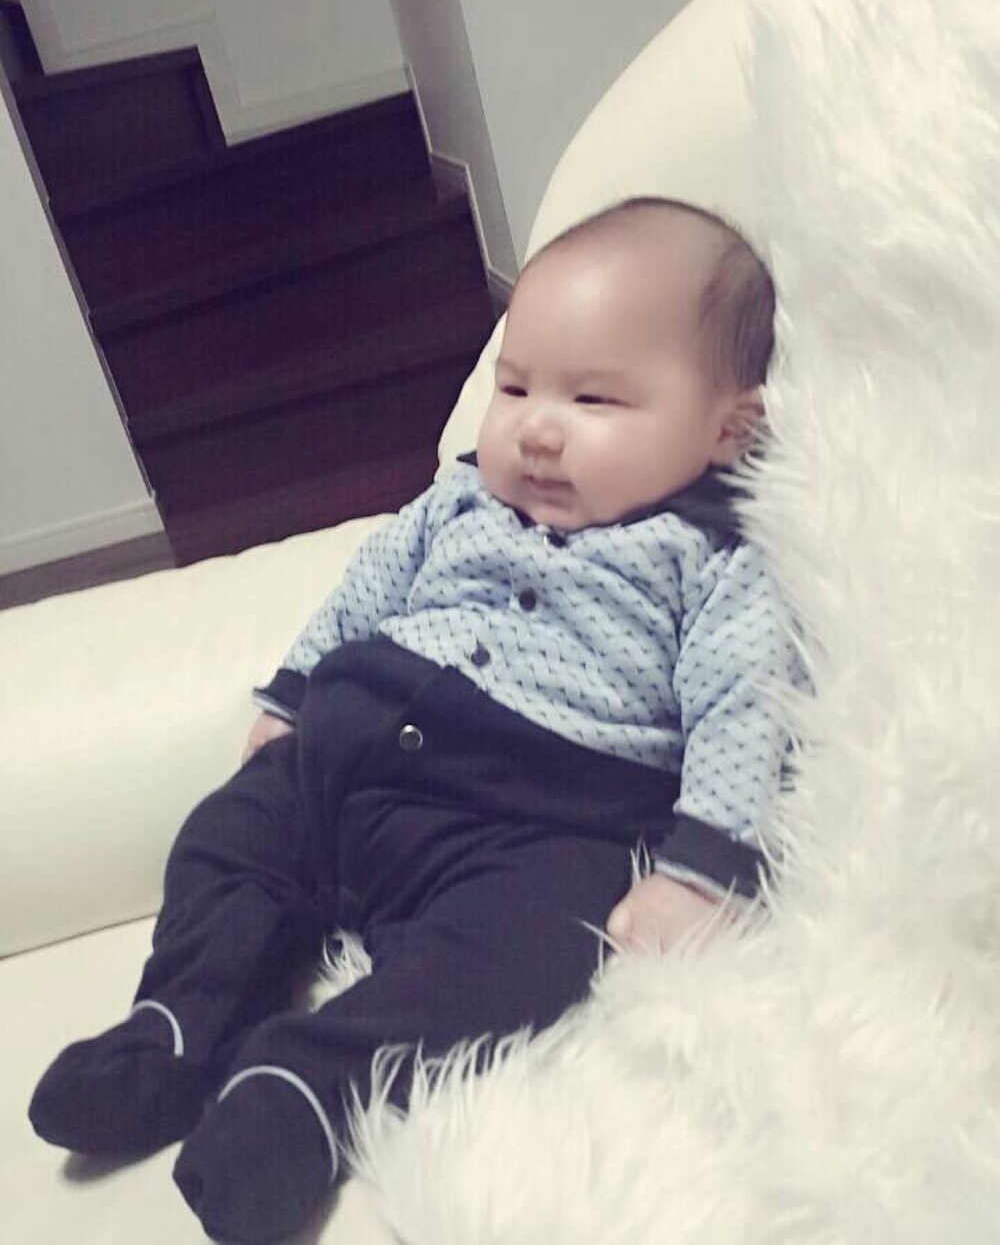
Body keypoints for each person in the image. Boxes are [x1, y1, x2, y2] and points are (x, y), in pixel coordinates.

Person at [29, 196, 804, 1244]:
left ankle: (307, 1089)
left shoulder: (713, 560)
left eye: (594, 398)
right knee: (226, 836)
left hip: (526, 824)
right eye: (515, 386)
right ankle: (174, 1025)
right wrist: (291, 697)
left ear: (728, 428)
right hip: (340, 760)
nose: (536, 426)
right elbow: (362, 594)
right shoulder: (456, 503)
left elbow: (742, 705)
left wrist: (698, 871)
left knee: (531, 950)